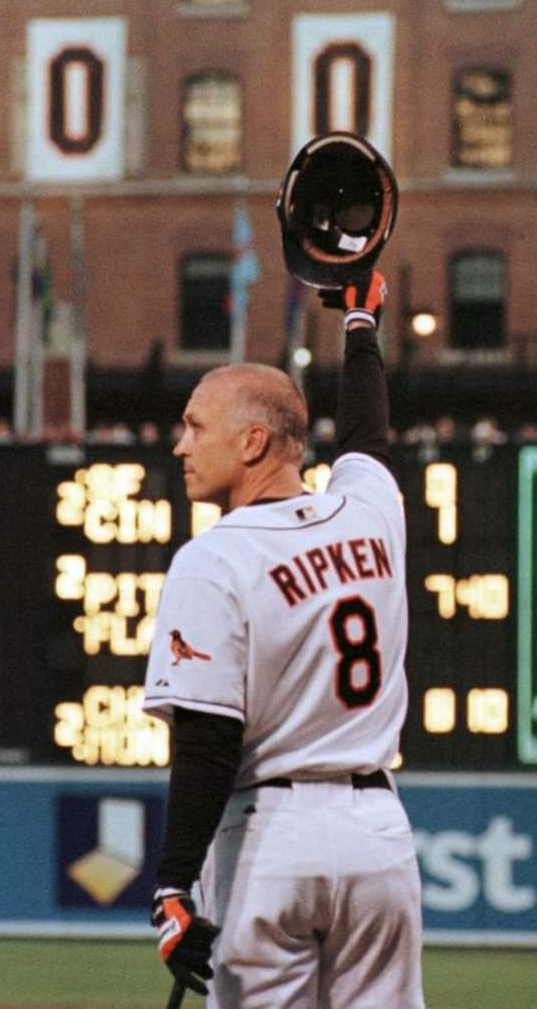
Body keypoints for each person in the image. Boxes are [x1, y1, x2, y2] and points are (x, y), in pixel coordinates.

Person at [143, 271, 424, 1008]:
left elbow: (208, 739)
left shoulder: (213, 557)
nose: (180, 445)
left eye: (196, 425)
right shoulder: (370, 514)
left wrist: (174, 882)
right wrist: (361, 323)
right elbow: (366, 435)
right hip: (378, 835)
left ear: (254, 441)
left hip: (270, 836)